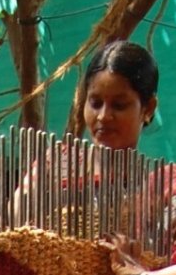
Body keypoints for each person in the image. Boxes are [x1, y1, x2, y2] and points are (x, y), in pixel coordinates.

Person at [11, 40, 159, 226]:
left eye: (119, 105)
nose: (103, 116)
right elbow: (7, 233)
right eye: (95, 103)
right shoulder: (54, 166)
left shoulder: (160, 187)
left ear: (148, 109)